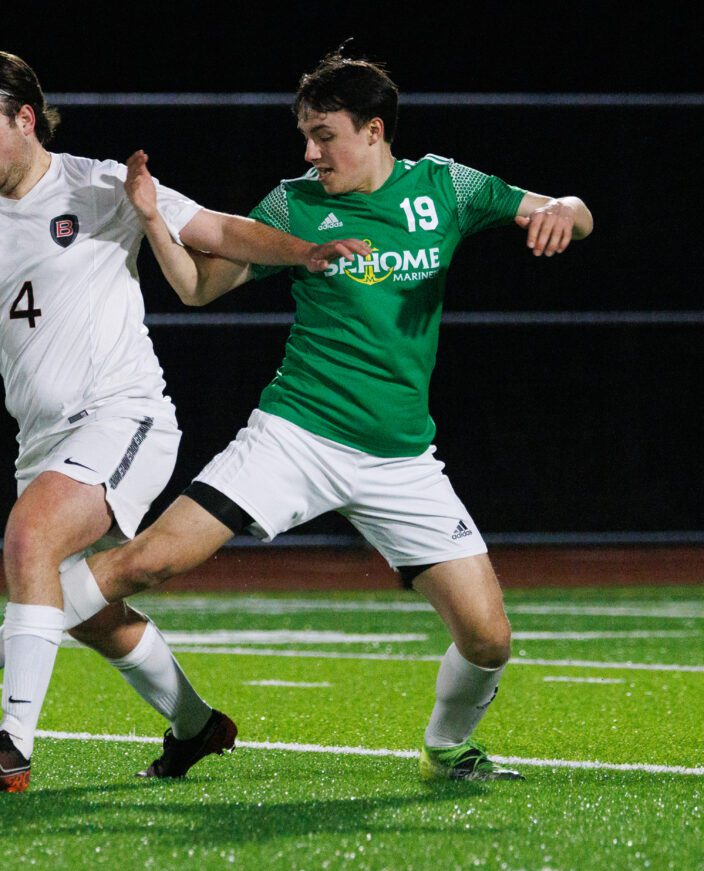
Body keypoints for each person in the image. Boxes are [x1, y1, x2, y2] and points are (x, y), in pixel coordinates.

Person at [0, 49, 368, 794]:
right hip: (43, 441)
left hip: (123, 418)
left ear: (25, 119)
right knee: (87, 612)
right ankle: (196, 726)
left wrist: (306, 251)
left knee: (30, 535)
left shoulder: (99, 186)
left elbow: (219, 232)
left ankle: (12, 742)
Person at [43, 41, 594, 782]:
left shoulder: (447, 188)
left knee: (490, 640)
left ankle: (447, 750)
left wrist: (565, 210)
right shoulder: (292, 204)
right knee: (146, 561)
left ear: (374, 131)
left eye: (324, 135)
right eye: (305, 134)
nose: (311, 151)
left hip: (401, 456)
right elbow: (198, 288)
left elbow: (571, 210)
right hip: (295, 435)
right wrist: (150, 219)